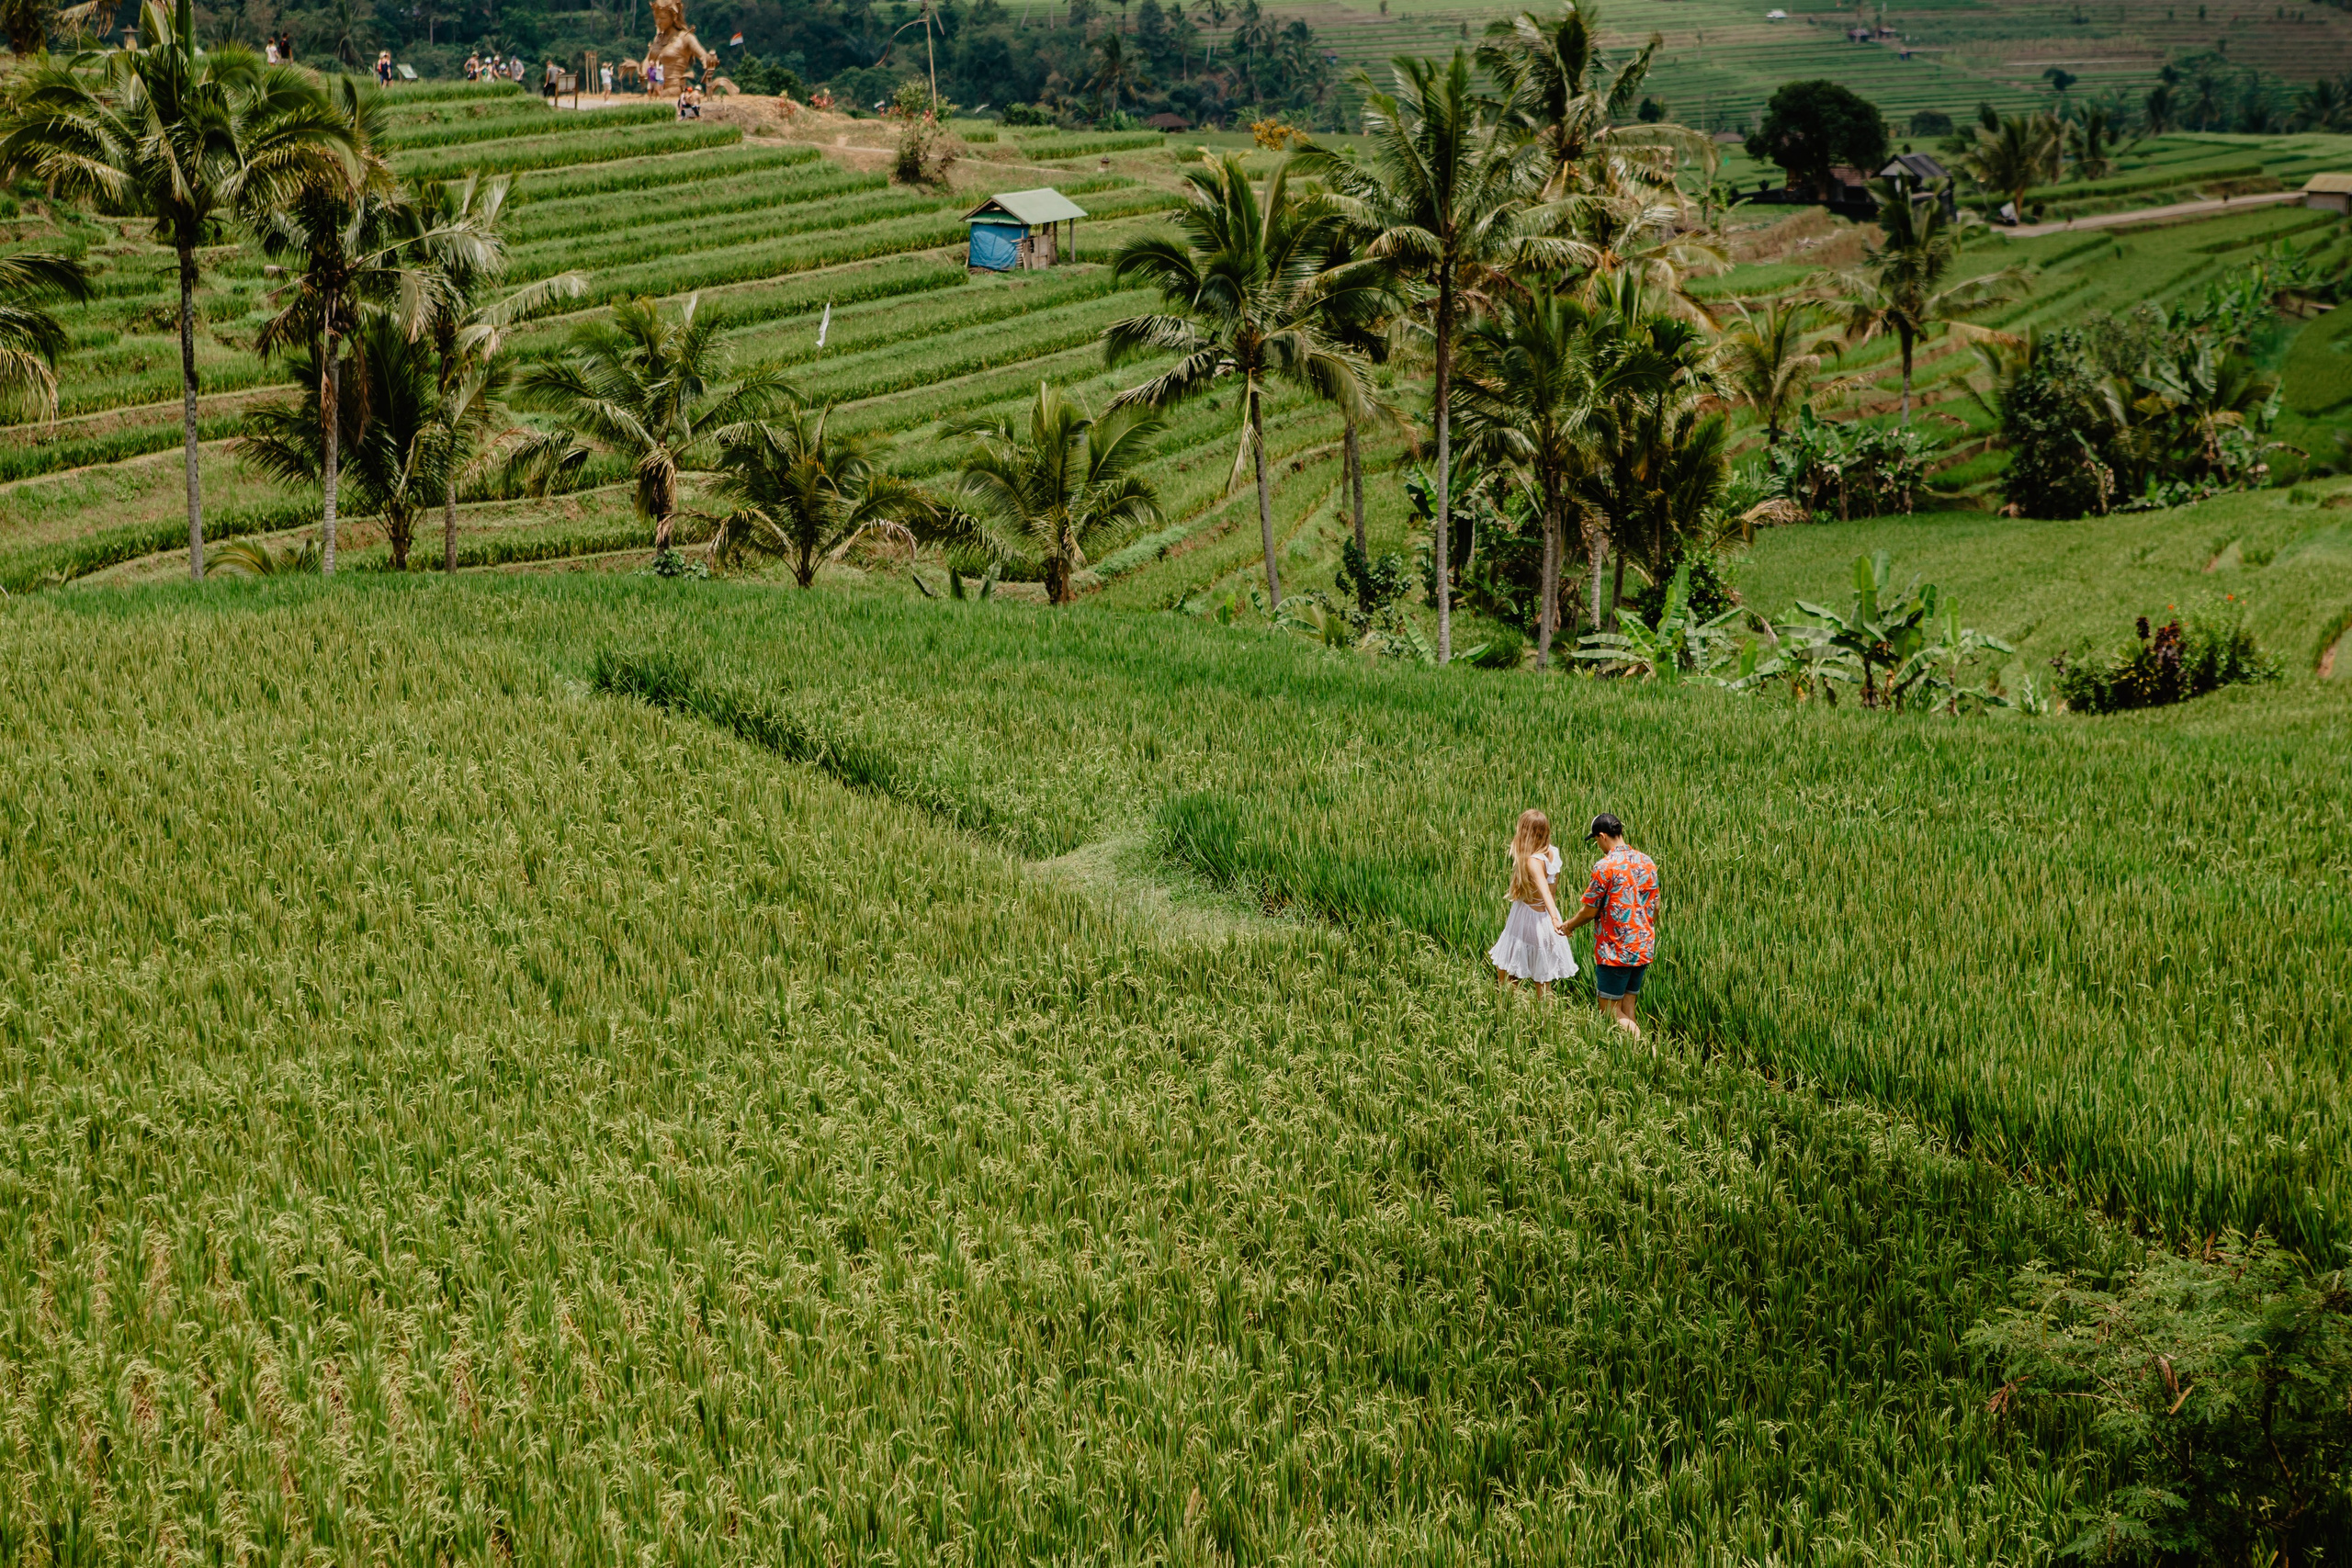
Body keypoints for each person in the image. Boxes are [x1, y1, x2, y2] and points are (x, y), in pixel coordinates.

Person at [1555, 813, 1658, 1039]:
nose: (1598, 845)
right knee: (1628, 1006)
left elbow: (1589, 911)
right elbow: (1656, 905)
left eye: (1596, 840)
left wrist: (1569, 926)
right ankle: (1634, 1055)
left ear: (1602, 836)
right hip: (1643, 946)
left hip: (1615, 951)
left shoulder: (1605, 867)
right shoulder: (1647, 862)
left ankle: (1648, 1049)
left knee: (1610, 1011)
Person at [1487, 809, 1577, 999]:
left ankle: (1510, 1007)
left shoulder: (1533, 861)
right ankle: (1544, 1016)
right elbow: (1552, 893)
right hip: (1544, 919)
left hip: (1527, 918)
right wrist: (1553, 918)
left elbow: (1544, 890)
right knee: (1543, 980)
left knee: (1506, 968)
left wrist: (1555, 919)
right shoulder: (1553, 853)